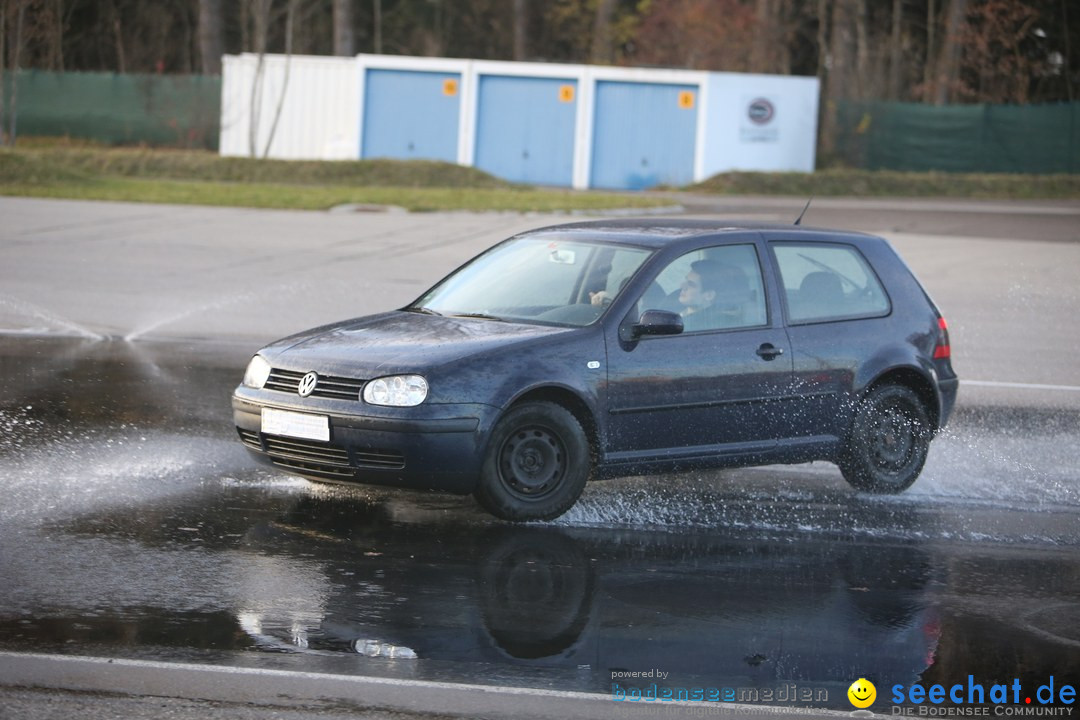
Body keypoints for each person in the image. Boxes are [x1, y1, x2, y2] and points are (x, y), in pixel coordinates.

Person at [677, 260, 749, 331]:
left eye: (691, 284)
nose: (682, 286)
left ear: (709, 295)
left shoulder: (700, 326)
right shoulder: (674, 304)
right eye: (686, 280)